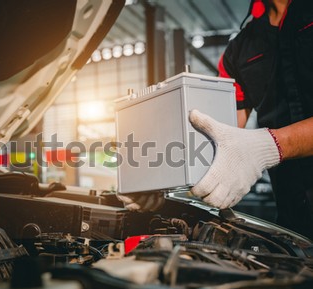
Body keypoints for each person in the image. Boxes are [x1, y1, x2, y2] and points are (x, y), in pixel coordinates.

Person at [120, 0, 313, 240]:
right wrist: (166, 185)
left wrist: (271, 145)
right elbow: (223, 137)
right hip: (294, 221)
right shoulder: (239, 49)